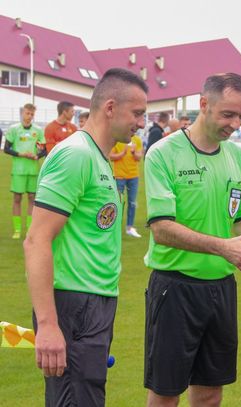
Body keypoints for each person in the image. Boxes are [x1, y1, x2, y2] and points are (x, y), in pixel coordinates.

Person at [143, 72, 241, 407]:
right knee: (165, 393)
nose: (235, 124)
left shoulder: (234, 156)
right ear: (204, 104)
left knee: (210, 394)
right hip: (175, 287)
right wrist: (223, 247)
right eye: (228, 114)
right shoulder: (163, 153)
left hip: (221, 288)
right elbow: (162, 228)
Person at [24, 68, 148, 406]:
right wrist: (48, 324)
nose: (141, 123)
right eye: (137, 113)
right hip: (73, 306)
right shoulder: (76, 155)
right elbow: (36, 240)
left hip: (96, 302)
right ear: (110, 107)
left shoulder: (99, 157)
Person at [4, 103, 46, 239]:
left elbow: (43, 149)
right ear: (22, 113)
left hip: (33, 169)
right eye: (27, 113)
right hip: (18, 170)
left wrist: (37, 156)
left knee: (32, 198)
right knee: (17, 198)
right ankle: (17, 230)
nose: (29, 116)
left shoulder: (38, 130)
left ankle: (29, 229)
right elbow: (7, 149)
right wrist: (21, 154)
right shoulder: (14, 129)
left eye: (32, 114)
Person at [109, 133, 144, 238]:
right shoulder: (117, 139)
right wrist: (123, 153)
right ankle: (114, 227)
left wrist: (133, 152)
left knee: (132, 203)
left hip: (133, 176)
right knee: (117, 203)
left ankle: (129, 228)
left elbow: (139, 157)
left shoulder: (137, 140)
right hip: (119, 176)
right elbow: (111, 157)